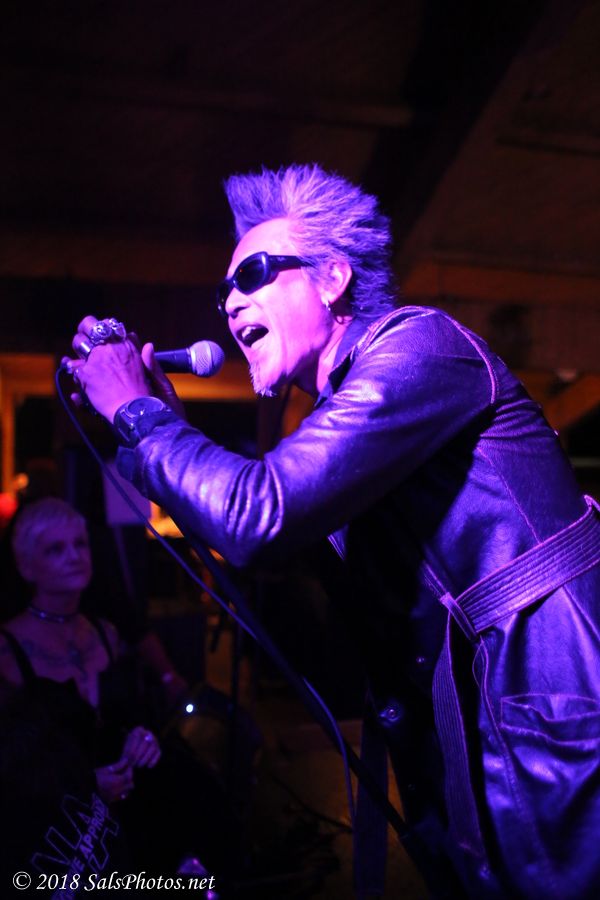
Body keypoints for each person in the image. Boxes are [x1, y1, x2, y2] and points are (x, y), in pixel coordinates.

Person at [65, 164, 600, 899]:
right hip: (480, 738)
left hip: (555, 716)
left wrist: (140, 414)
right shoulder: (337, 417)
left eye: (254, 274)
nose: (231, 302)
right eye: (223, 291)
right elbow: (250, 535)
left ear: (332, 279)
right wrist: (153, 425)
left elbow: (259, 514)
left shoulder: (419, 347)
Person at [0, 498, 237, 884]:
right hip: (58, 825)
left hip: (129, 797)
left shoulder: (105, 632)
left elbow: (126, 717)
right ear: (26, 565)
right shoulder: (8, 651)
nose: (75, 557)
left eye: (80, 544)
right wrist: (86, 786)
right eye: (56, 549)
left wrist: (142, 738)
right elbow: (14, 775)